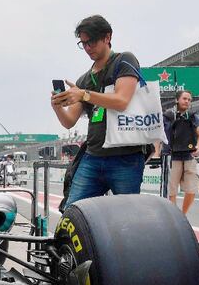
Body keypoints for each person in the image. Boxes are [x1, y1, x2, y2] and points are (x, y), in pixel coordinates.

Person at [50, 15, 145, 207]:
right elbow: (69, 122)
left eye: (91, 42)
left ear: (107, 37)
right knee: (72, 212)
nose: (87, 48)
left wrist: (84, 95)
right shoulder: (84, 79)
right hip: (93, 155)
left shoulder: (124, 60)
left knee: (128, 217)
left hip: (125, 156)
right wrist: (57, 107)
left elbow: (121, 100)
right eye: (83, 43)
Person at [162, 90, 199, 215]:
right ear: (177, 100)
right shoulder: (168, 115)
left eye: (189, 100)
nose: (187, 101)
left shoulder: (192, 116)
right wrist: (158, 151)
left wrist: (198, 146)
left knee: (191, 189)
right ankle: (174, 216)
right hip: (172, 156)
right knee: (171, 191)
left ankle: (183, 215)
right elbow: (160, 134)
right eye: (185, 98)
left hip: (189, 155)